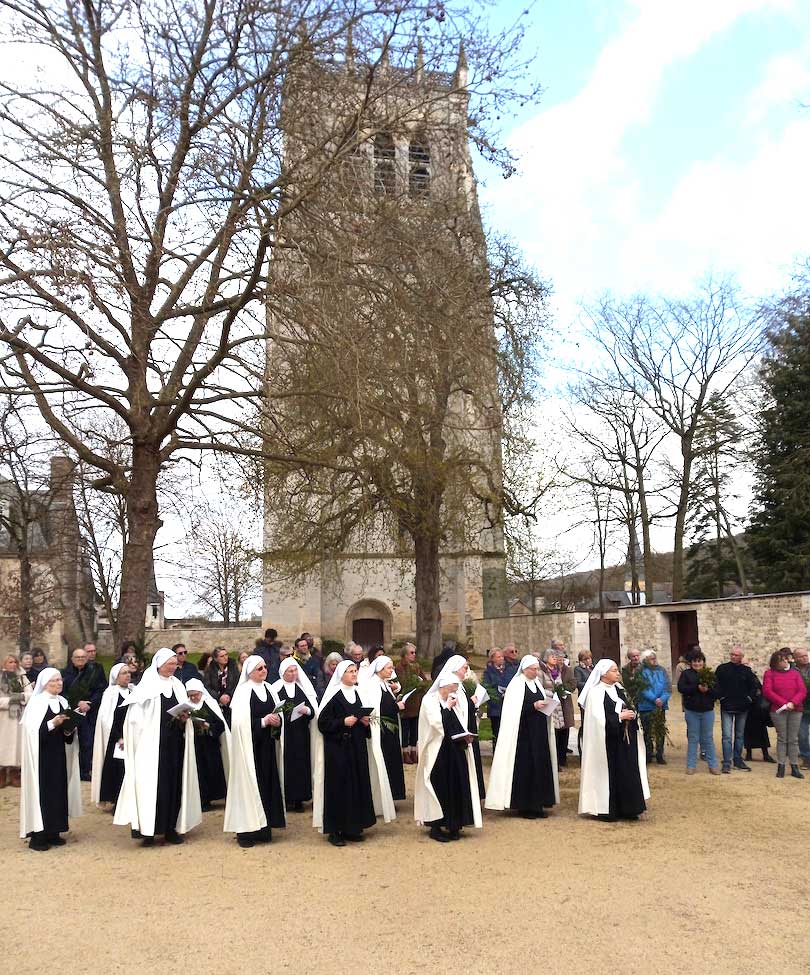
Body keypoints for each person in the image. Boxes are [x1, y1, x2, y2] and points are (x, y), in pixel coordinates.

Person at [113, 648, 202, 845]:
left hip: (174, 743)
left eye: (174, 664)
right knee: (153, 786)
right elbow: (134, 719)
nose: (173, 667)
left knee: (173, 784)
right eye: (169, 664)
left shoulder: (178, 685)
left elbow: (184, 707)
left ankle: (170, 827)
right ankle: (149, 830)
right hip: (151, 746)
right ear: (159, 665)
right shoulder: (147, 686)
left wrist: (185, 717)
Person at [485, 655, 559, 819]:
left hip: (538, 732)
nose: (536, 672)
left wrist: (545, 705)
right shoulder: (517, 685)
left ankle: (538, 803)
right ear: (525, 669)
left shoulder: (537, 684)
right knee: (525, 768)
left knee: (539, 766)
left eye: (537, 669)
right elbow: (513, 710)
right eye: (533, 669)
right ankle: (525, 805)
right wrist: (533, 706)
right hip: (523, 735)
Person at [224, 656, 286, 847]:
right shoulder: (243, 692)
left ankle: (264, 827)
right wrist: (262, 721)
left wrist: (277, 721)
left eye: (265, 667)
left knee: (267, 785)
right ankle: (246, 832)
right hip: (248, 750)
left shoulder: (269, 689)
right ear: (250, 672)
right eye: (259, 668)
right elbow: (239, 724)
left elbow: (278, 712)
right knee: (248, 786)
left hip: (267, 747)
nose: (264, 670)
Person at [313, 660, 376, 847]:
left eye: (355, 671)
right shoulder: (333, 695)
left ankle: (353, 827)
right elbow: (323, 724)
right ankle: (335, 830)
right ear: (341, 674)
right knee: (338, 788)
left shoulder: (358, 693)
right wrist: (342, 722)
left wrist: (364, 722)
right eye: (350, 671)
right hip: (338, 749)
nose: (354, 674)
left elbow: (359, 717)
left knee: (356, 785)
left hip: (356, 748)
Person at [19, 668, 83, 850]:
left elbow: (67, 734)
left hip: (59, 755)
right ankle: (39, 836)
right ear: (45, 683)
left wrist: (69, 729)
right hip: (41, 758)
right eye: (54, 680)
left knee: (58, 791)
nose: (59, 683)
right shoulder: (37, 703)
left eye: (60, 680)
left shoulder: (63, 701)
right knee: (44, 793)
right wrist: (52, 723)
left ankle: (54, 831)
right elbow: (31, 733)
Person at [578, 660, 649, 821]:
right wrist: (618, 717)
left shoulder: (619, 689)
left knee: (627, 772)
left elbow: (629, 706)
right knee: (609, 775)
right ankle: (609, 809)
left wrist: (630, 714)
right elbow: (597, 719)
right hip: (607, 744)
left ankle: (629, 808)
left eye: (617, 670)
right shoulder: (595, 693)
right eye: (614, 670)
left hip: (624, 742)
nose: (618, 673)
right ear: (603, 673)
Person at [414, 675, 481, 842]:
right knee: (439, 786)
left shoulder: (453, 699)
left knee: (456, 785)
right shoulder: (429, 700)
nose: (456, 691)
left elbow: (458, 722)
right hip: (437, 751)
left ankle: (454, 824)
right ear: (444, 686)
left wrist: (465, 736)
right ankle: (436, 826)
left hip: (454, 749)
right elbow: (437, 724)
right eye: (453, 687)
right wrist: (448, 708)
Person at [359, 655, 404, 818]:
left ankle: (391, 795)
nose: (391, 670)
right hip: (381, 731)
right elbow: (376, 710)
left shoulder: (385, 684)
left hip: (390, 732)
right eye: (389, 668)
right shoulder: (372, 685)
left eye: (392, 668)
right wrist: (396, 707)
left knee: (392, 762)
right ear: (379, 669)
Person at [270, 657, 317, 812]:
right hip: (284, 734)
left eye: (295, 670)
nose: (294, 673)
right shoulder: (275, 688)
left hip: (301, 733)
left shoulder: (302, 688)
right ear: (283, 672)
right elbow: (273, 710)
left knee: (301, 764)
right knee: (286, 763)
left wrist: (307, 710)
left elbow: (311, 710)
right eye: (290, 671)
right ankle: (287, 797)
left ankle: (299, 799)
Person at [61, 647, 106, 781]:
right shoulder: (65, 673)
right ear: (72, 659)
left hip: (89, 713)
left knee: (87, 742)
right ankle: (69, 769)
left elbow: (100, 690)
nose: (80, 659)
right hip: (72, 711)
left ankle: (84, 771)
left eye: (83, 657)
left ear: (86, 659)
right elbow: (63, 692)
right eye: (77, 657)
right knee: (71, 742)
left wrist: (90, 703)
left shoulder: (94, 672)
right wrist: (77, 702)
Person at [90, 663, 132, 807]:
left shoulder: (135, 691)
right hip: (116, 739)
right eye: (124, 673)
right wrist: (118, 737)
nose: (127, 675)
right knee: (116, 769)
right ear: (116, 677)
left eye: (128, 672)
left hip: (132, 736)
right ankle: (116, 800)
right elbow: (106, 719)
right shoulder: (110, 693)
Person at [762, 650, 807, 779]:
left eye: (786, 659)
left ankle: (794, 766)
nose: (786, 661)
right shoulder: (769, 674)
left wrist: (793, 702)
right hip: (779, 710)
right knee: (782, 738)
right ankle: (781, 765)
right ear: (776, 662)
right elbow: (768, 691)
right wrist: (784, 704)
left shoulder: (795, 673)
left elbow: (802, 690)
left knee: (793, 739)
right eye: (782, 660)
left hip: (795, 709)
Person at [186, 678, 229, 811]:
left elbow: (220, 724)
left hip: (210, 744)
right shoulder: (185, 706)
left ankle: (216, 795)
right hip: (195, 744)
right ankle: (203, 800)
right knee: (199, 772)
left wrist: (208, 726)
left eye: (196, 695)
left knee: (213, 770)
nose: (193, 698)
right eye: (191, 695)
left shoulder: (210, 703)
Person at [714, 645, 758, 773]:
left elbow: (754, 686)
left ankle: (737, 759)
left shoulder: (747, 671)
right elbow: (716, 684)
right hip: (726, 706)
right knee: (727, 736)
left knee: (739, 735)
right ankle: (727, 761)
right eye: (732, 654)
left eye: (736, 655)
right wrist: (720, 697)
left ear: (741, 657)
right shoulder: (722, 669)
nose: (733, 657)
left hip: (742, 707)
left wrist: (749, 698)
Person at [677, 651, 720, 775]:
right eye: (695, 661)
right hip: (692, 710)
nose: (697, 663)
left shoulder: (710, 675)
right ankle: (691, 765)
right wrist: (696, 688)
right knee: (693, 738)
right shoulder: (686, 674)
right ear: (691, 663)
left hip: (707, 711)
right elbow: (681, 688)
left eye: (699, 661)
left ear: (703, 662)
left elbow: (718, 692)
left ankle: (713, 765)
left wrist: (708, 690)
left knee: (708, 738)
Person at [539, 648, 576, 769]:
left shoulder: (557, 671)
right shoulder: (542, 671)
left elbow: (560, 684)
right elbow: (539, 687)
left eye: (556, 656)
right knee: (551, 732)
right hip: (549, 704)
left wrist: (560, 691)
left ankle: (559, 760)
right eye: (552, 656)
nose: (555, 658)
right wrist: (552, 693)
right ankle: (552, 761)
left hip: (559, 704)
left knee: (560, 731)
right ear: (546, 658)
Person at [0, 654, 33, 788]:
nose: (12, 664)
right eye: (10, 662)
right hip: (3, 718)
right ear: (4, 664)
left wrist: (20, 697)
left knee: (17, 745)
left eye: (14, 662)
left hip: (19, 716)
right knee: (3, 744)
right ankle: (1, 774)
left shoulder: (22, 678)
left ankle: (15, 773)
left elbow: (30, 694)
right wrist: (10, 700)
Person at [636, 650, 671, 765]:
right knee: (648, 731)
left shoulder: (662, 670)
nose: (654, 660)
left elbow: (667, 687)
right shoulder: (641, 671)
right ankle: (648, 754)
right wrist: (654, 699)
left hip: (660, 705)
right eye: (651, 658)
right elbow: (643, 688)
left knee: (660, 731)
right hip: (646, 706)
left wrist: (663, 699)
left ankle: (660, 754)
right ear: (645, 660)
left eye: (654, 658)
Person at [397, 643, 428, 764]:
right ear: (405, 655)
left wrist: (421, 683)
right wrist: (415, 682)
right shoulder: (400, 667)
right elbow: (404, 683)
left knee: (415, 729)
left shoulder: (417, 666)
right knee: (405, 730)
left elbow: (424, 681)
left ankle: (414, 751)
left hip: (416, 701)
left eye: (414, 652)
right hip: (406, 703)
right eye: (411, 653)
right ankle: (405, 752)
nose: (414, 655)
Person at [483, 648, 515, 747]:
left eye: (502, 656)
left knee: (509, 733)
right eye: (498, 657)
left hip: (509, 705)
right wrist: (498, 693)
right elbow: (487, 688)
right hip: (496, 707)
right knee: (497, 732)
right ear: (492, 659)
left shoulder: (509, 670)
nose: (501, 659)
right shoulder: (488, 672)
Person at [744, 669, 776, 764]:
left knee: (762, 731)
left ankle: (765, 754)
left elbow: (760, 689)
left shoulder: (753, 676)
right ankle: (749, 754)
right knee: (747, 730)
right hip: (746, 707)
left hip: (757, 707)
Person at [203, 646, 240, 726]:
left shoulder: (233, 666)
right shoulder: (210, 669)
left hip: (232, 699)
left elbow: (237, 683)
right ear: (216, 659)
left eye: (226, 655)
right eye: (222, 656)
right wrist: (219, 697)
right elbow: (207, 687)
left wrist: (229, 695)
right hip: (216, 701)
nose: (225, 657)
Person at [794, 647, 810, 770]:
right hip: (800, 707)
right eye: (801, 656)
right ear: (795, 658)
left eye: (806, 655)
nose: (805, 657)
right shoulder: (792, 671)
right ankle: (806, 758)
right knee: (802, 734)